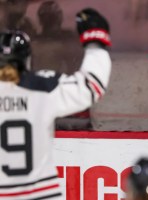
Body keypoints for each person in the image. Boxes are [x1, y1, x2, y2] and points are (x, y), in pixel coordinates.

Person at [0, 8, 111, 200]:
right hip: (41, 194)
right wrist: (95, 44)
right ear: (27, 58)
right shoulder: (43, 87)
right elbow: (92, 86)